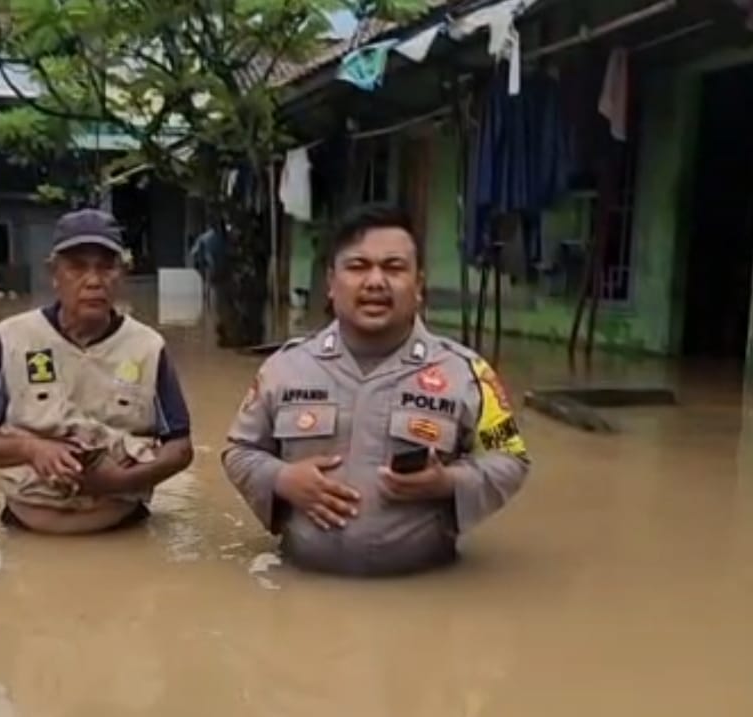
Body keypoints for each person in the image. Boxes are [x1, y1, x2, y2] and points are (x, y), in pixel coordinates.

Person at [221, 204, 531, 576]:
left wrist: (447, 482)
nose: (375, 282)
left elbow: (510, 460)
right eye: (358, 267)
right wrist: (282, 479)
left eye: (394, 268)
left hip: (424, 590)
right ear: (331, 283)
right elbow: (239, 451)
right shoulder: (283, 368)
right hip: (302, 588)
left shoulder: (467, 373)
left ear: (418, 286)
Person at [0, 208, 194, 534]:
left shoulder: (148, 347)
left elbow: (180, 449)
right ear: (53, 273)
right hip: (24, 535)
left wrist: (119, 482)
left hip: (122, 533)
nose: (94, 281)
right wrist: (32, 449)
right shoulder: (14, 337)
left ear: (122, 274)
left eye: (106, 267)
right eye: (77, 267)